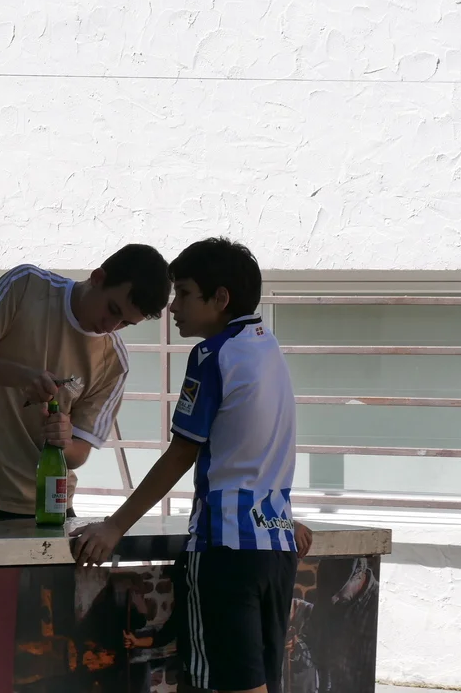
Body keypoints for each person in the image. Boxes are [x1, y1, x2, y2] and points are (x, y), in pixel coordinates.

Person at [72, 237, 312, 693]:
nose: (172, 307)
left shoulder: (212, 355)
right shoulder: (269, 348)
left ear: (220, 298)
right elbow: (259, 447)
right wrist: (283, 516)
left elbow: (182, 453)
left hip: (225, 550)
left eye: (183, 293)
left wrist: (114, 526)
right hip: (276, 548)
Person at [0, 244, 173, 519]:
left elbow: (79, 453)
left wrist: (64, 441)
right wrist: (21, 377)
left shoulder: (114, 362)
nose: (111, 326)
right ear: (97, 277)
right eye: (112, 309)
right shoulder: (26, 286)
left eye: (125, 324)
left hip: (51, 506)